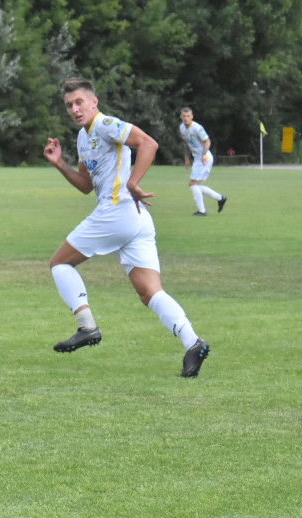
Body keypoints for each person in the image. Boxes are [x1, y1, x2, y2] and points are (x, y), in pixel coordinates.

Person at [43, 77, 210, 378]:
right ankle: (192, 343)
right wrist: (60, 164)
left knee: (58, 264)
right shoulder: (84, 138)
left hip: (117, 211)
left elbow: (148, 143)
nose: (74, 109)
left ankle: (87, 327)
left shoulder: (106, 123)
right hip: (134, 219)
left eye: (79, 102)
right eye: (69, 105)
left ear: (94, 101)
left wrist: (133, 181)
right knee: (149, 292)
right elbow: (85, 186)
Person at [179, 107, 227, 216]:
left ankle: (202, 211)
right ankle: (220, 198)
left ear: (192, 117)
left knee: (192, 184)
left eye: (188, 116)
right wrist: (187, 158)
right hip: (197, 158)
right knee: (194, 185)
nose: (186, 118)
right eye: (184, 116)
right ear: (181, 117)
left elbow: (207, 141)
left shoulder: (197, 127)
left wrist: (204, 154)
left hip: (204, 158)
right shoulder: (182, 128)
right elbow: (186, 143)